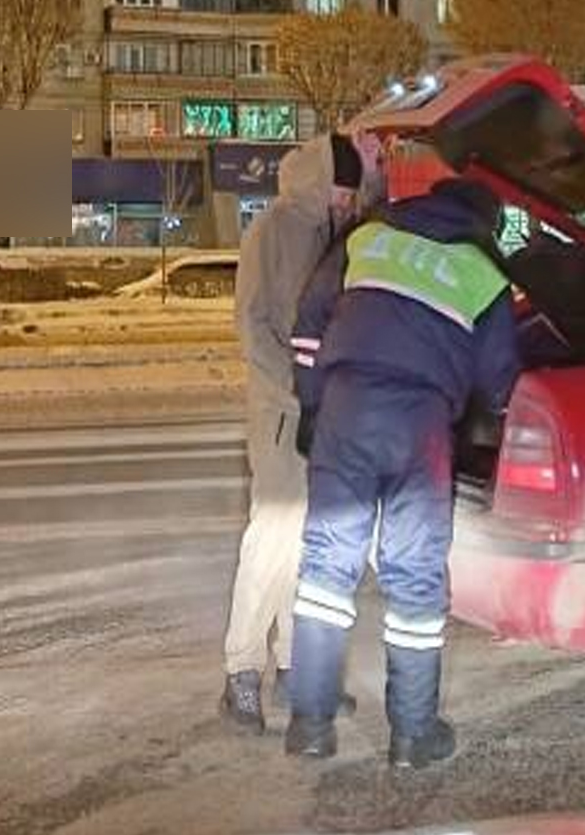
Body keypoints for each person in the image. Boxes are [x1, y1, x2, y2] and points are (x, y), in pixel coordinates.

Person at [283, 177, 521, 768]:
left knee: (325, 567)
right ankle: (413, 736)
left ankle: (309, 725)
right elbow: (499, 383)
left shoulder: (371, 235)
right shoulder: (483, 270)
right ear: (486, 222)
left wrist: (313, 403)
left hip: (346, 405)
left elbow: (309, 322)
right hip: (420, 426)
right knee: (414, 574)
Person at [219, 132, 385, 734]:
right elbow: (253, 323)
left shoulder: (333, 228)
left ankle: (295, 671)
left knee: (307, 548)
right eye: (343, 187)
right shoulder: (274, 229)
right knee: (272, 539)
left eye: (351, 190)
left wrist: (373, 170)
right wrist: (293, 389)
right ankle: (242, 672)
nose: (348, 199)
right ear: (320, 181)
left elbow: (378, 220)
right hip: (282, 411)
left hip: (321, 410)